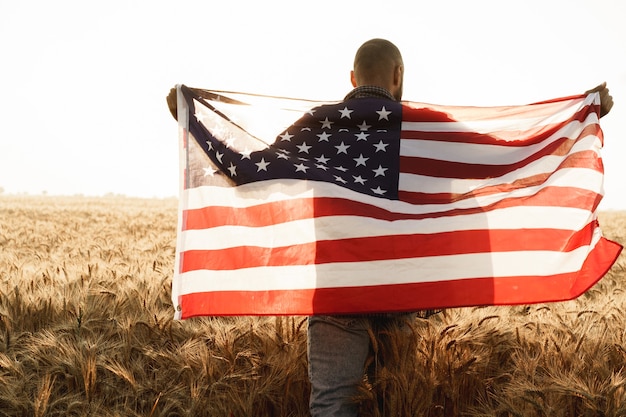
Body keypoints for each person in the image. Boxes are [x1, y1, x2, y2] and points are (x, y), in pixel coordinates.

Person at [166, 38, 614, 417]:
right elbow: (503, 158)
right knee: (395, 404)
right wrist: (583, 117)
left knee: (331, 403)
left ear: (352, 78)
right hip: (399, 293)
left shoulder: (317, 126)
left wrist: (191, 120)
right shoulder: (425, 128)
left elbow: (248, 167)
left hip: (336, 292)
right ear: (398, 74)